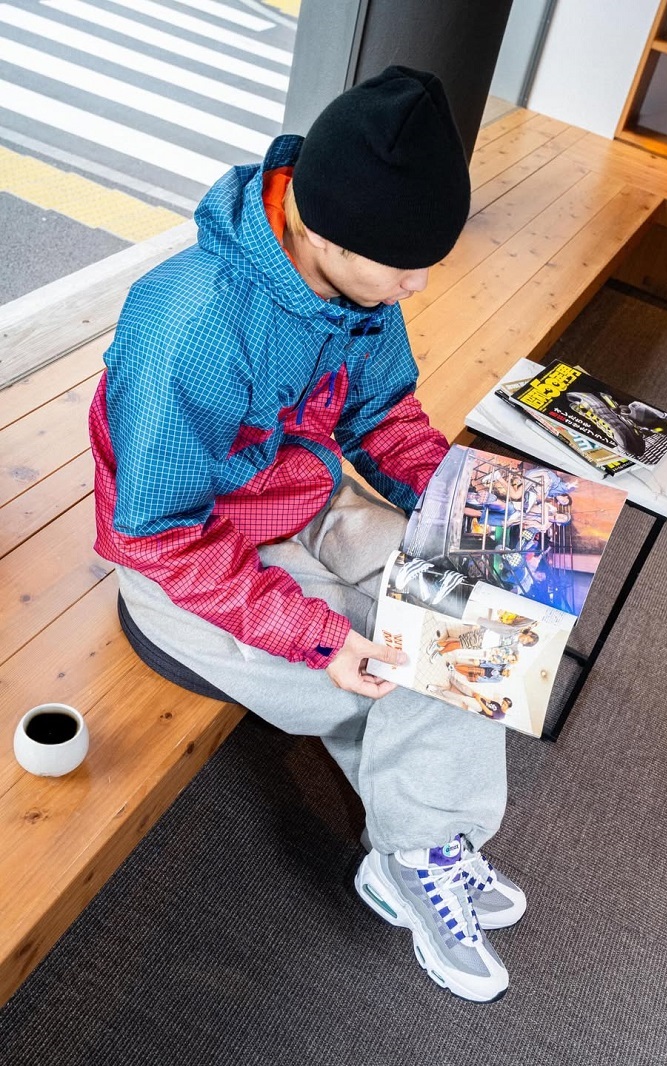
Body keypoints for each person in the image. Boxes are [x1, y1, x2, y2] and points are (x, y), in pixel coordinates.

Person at [88, 66, 526, 1003]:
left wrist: (466, 495)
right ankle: (421, 847)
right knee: (396, 656)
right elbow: (158, 534)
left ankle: (415, 845)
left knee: (490, 577)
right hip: (186, 559)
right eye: (403, 268)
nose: (413, 284)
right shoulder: (193, 325)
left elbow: (385, 413)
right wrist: (314, 634)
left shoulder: (360, 276)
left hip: (304, 493)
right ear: (322, 230)